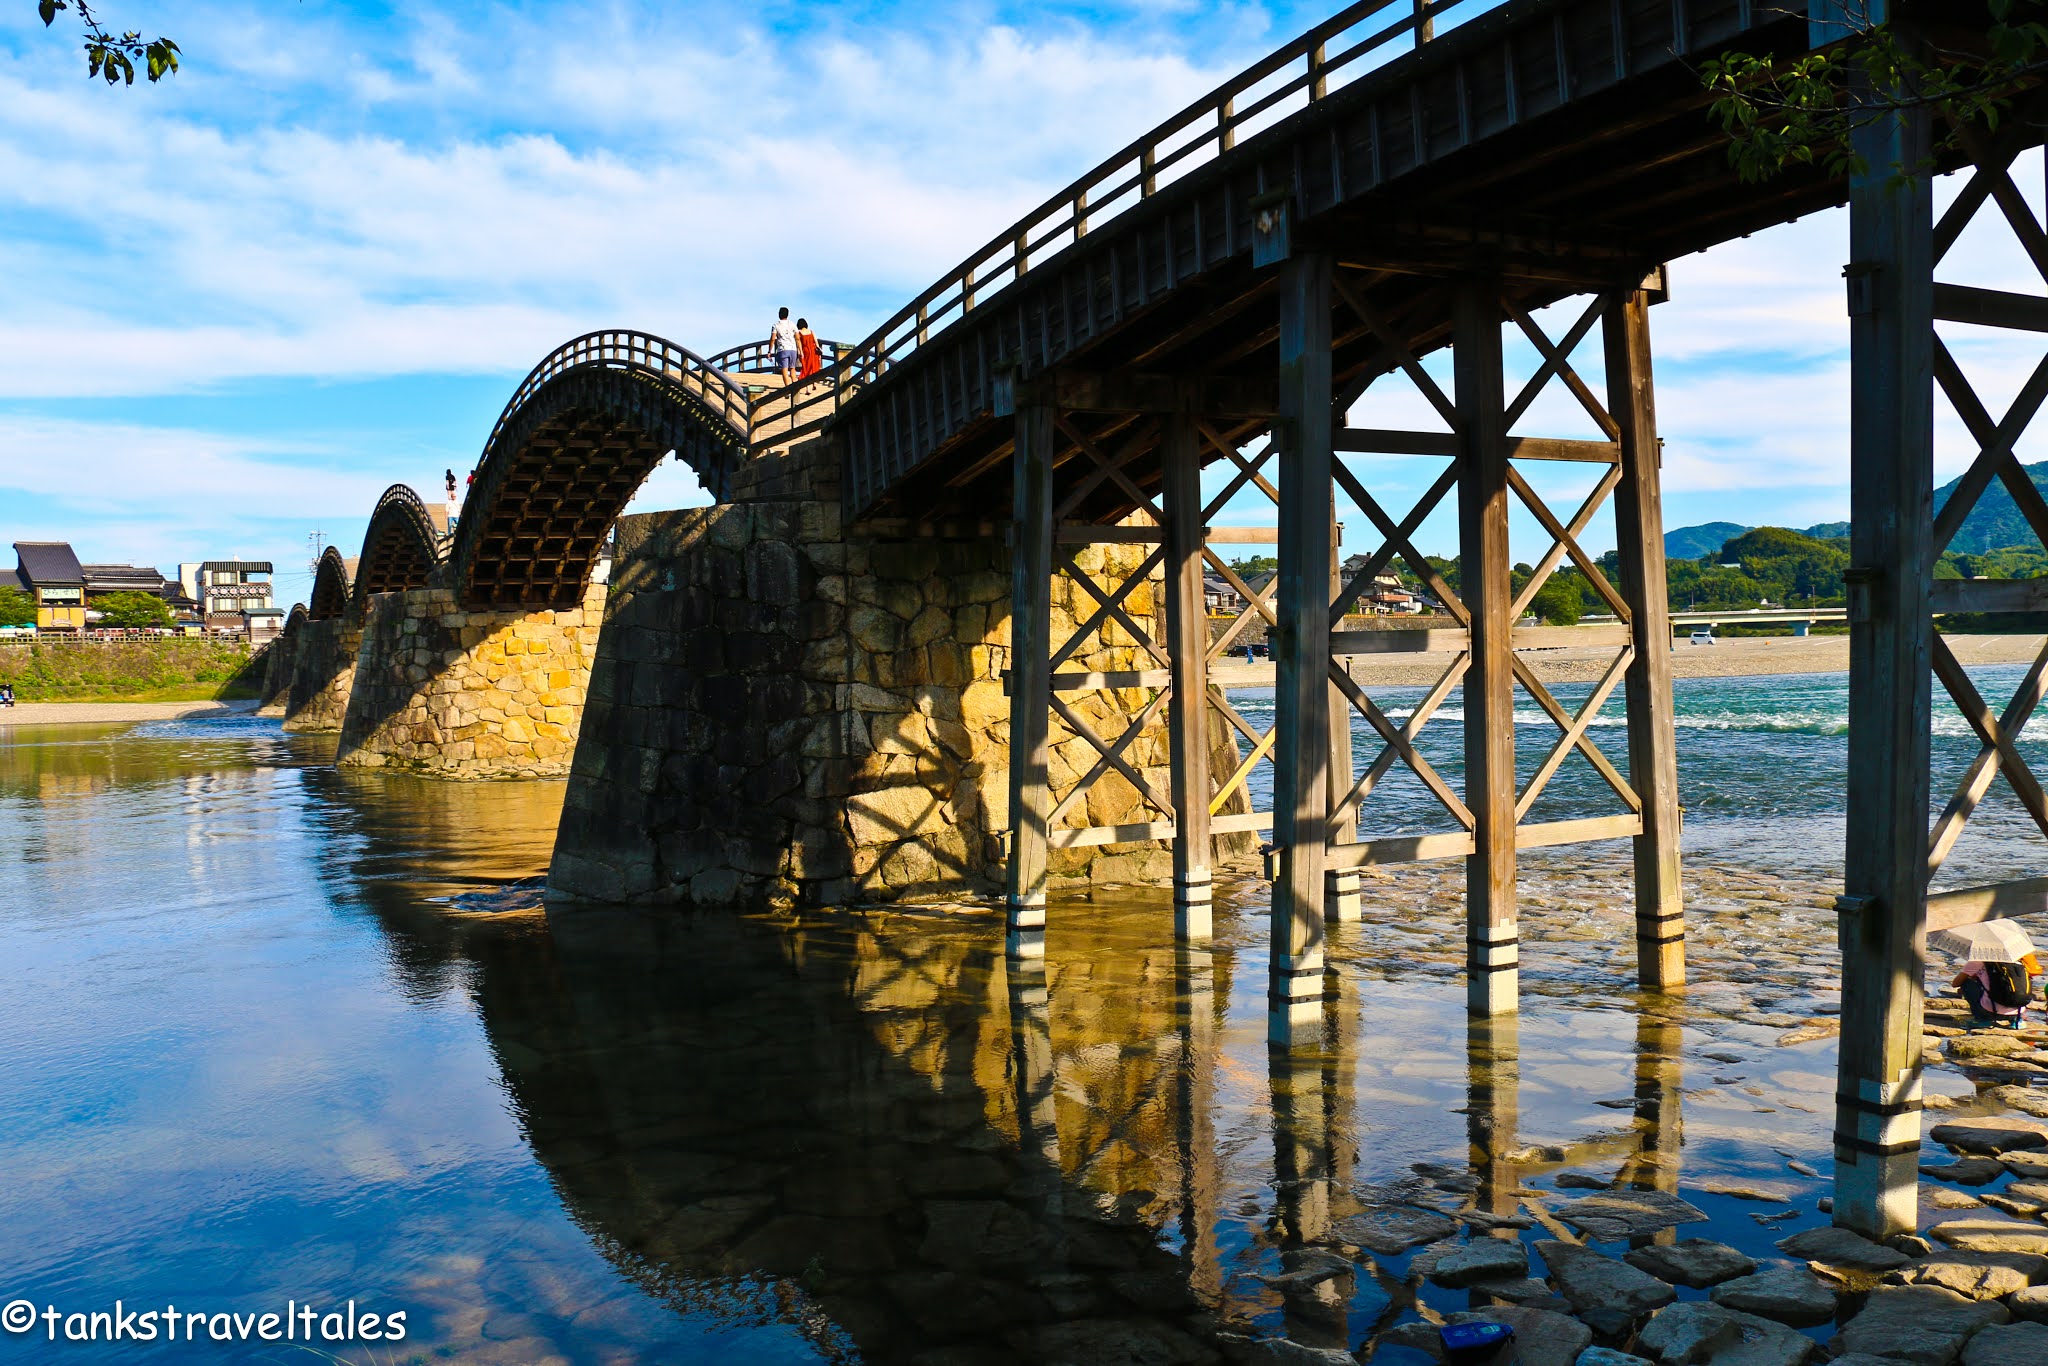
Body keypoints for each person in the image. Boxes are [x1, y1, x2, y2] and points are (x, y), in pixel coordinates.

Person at [1953, 958, 2031, 1026]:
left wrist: (1973, 977)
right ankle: (2017, 1021)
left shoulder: (1978, 961)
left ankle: (1983, 1019)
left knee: (1967, 983)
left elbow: (1955, 983)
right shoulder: (2017, 961)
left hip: (1990, 1011)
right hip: (2017, 1012)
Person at [769, 307, 800, 386]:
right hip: (793, 349)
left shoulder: (776, 325)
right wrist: (800, 350)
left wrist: (769, 351)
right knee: (793, 369)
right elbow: (797, 338)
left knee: (785, 370)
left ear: (779, 314)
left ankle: (787, 389)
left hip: (783, 349)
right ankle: (795, 388)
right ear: (787, 314)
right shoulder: (792, 324)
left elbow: (773, 339)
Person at [796, 317, 822, 382]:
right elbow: (816, 342)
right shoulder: (811, 332)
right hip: (813, 351)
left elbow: (799, 344)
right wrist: (819, 351)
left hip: (805, 351)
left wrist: (800, 353)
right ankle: (814, 383)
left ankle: (807, 387)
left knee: (805, 367)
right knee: (813, 366)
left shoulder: (799, 333)